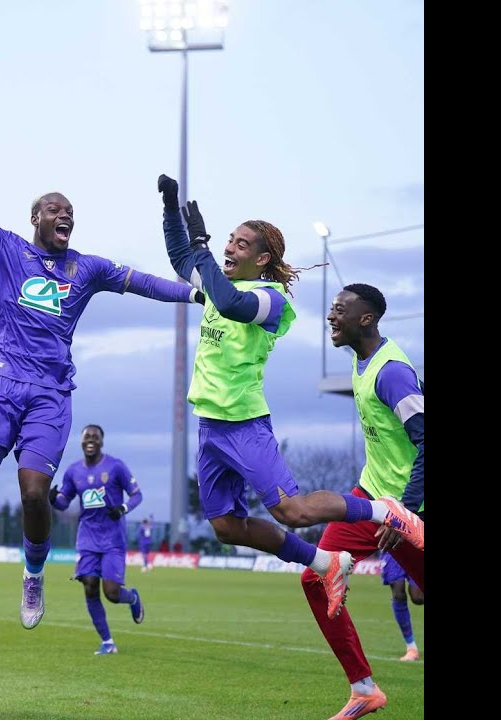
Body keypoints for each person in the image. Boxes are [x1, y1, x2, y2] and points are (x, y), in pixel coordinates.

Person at [0, 143, 205, 630]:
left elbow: (142, 283)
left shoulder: (86, 268)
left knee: (35, 493)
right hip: (2, 387)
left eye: (70, 212)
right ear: (35, 217)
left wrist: (196, 293)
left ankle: (33, 577)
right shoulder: (6, 249)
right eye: (55, 209)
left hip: (50, 396)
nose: (65, 215)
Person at [154, 176, 423, 627]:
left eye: (241, 243)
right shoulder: (220, 282)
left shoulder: (271, 300)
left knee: (292, 511)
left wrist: (202, 245)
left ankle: (387, 512)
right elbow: (183, 259)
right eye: (229, 240)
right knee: (225, 527)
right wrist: (169, 210)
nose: (230, 247)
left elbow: (231, 303)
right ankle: (324, 562)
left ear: (262, 259)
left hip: (244, 424)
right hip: (210, 426)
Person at [299, 283, 425, 719]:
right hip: (371, 496)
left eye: (340, 310)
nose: (331, 316)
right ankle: (364, 689)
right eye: (332, 309)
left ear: (366, 319)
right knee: (317, 577)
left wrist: (406, 511)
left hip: (411, 509)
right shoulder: (361, 361)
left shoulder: (392, 373)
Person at [49, 424, 145, 655]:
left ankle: (132, 598)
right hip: (87, 538)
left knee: (111, 593)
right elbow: (64, 501)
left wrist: (123, 508)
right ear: (82, 442)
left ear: (102, 441)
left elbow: (137, 495)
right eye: (86, 436)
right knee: (90, 586)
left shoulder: (115, 466)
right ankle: (107, 642)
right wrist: (53, 499)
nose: (90, 440)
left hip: (113, 539)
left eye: (95, 436)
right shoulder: (73, 471)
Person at [379, 549, 423, 662]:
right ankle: (411, 648)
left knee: (418, 597)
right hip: (391, 548)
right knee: (398, 593)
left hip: (415, 545)